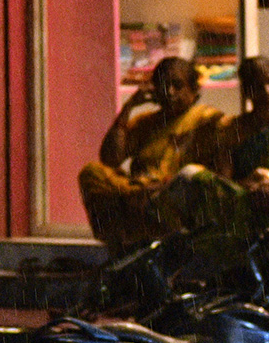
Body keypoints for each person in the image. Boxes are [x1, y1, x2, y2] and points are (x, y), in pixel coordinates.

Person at [163, 55, 269, 262]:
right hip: (247, 204)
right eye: (257, 85)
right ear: (246, 91)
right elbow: (223, 179)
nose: (266, 91)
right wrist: (253, 184)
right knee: (192, 176)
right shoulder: (231, 130)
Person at [79, 57, 223, 256]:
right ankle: (121, 247)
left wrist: (164, 185)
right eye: (163, 85)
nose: (170, 92)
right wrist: (129, 107)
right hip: (139, 193)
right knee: (92, 173)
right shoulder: (146, 122)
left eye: (177, 85)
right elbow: (110, 159)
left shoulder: (207, 119)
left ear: (194, 89)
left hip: (172, 197)